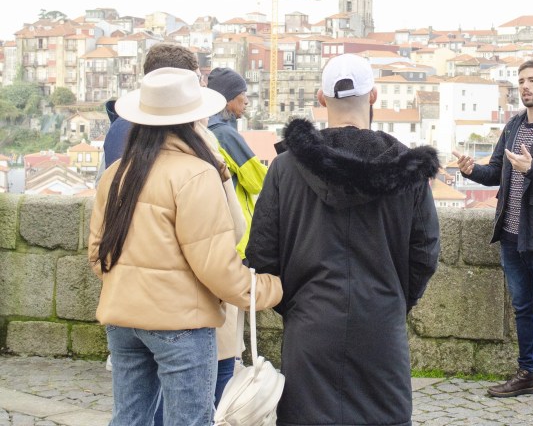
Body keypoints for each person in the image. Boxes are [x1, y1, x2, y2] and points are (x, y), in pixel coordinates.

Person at [246, 53, 441, 426]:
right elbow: (424, 254)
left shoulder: (285, 169)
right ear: (374, 97)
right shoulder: (409, 171)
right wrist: (394, 301)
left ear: (321, 100)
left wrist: (296, 306)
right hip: (381, 322)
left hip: (310, 323)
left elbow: (262, 254)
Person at [88, 67, 283, 426]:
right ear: (194, 119)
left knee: (129, 419)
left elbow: (99, 255)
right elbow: (217, 268)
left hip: (122, 317)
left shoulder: (116, 172)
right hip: (180, 323)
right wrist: (268, 289)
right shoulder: (196, 174)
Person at [453, 59, 533, 412]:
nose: (525, 86)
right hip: (511, 234)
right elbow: (496, 171)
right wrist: (471, 170)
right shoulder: (512, 126)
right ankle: (528, 373)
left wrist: (532, 168)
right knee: (523, 307)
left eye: (531, 81)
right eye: (521, 81)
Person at [206, 68, 267, 260]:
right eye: (242, 94)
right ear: (228, 99)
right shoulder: (225, 134)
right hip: (239, 242)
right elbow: (258, 181)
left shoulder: (205, 130)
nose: (247, 101)